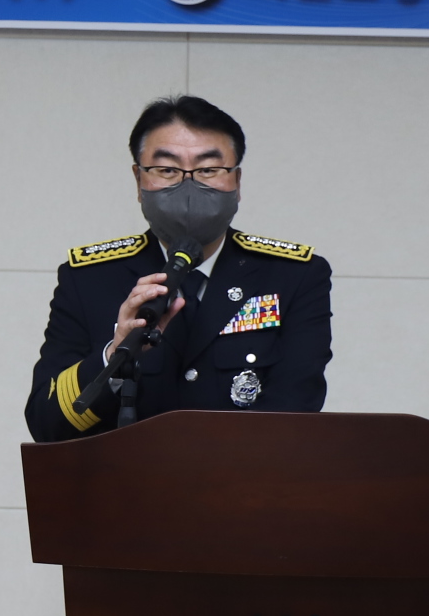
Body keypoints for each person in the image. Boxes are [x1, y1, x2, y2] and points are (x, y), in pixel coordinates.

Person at [26, 95, 333, 440]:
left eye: (208, 170)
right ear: (139, 181)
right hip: (127, 474)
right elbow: (46, 424)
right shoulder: (89, 279)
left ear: (237, 182)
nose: (188, 186)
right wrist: (115, 353)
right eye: (167, 170)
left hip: (244, 474)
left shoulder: (294, 277)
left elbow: (297, 410)